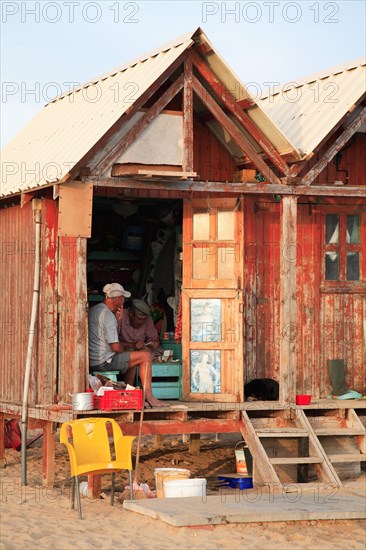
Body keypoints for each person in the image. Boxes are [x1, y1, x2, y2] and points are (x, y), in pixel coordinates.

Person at [88, 283, 168, 408]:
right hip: (104, 361)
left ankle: (128, 394)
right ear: (118, 298)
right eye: (123, 298)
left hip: (93, 360)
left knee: (132, 357)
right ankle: (149, 397)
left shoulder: (95, 309)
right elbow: (115, 347)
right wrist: (127, 347)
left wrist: (118, 322)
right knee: (145, 356)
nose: (124, 301)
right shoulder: (108, 315)